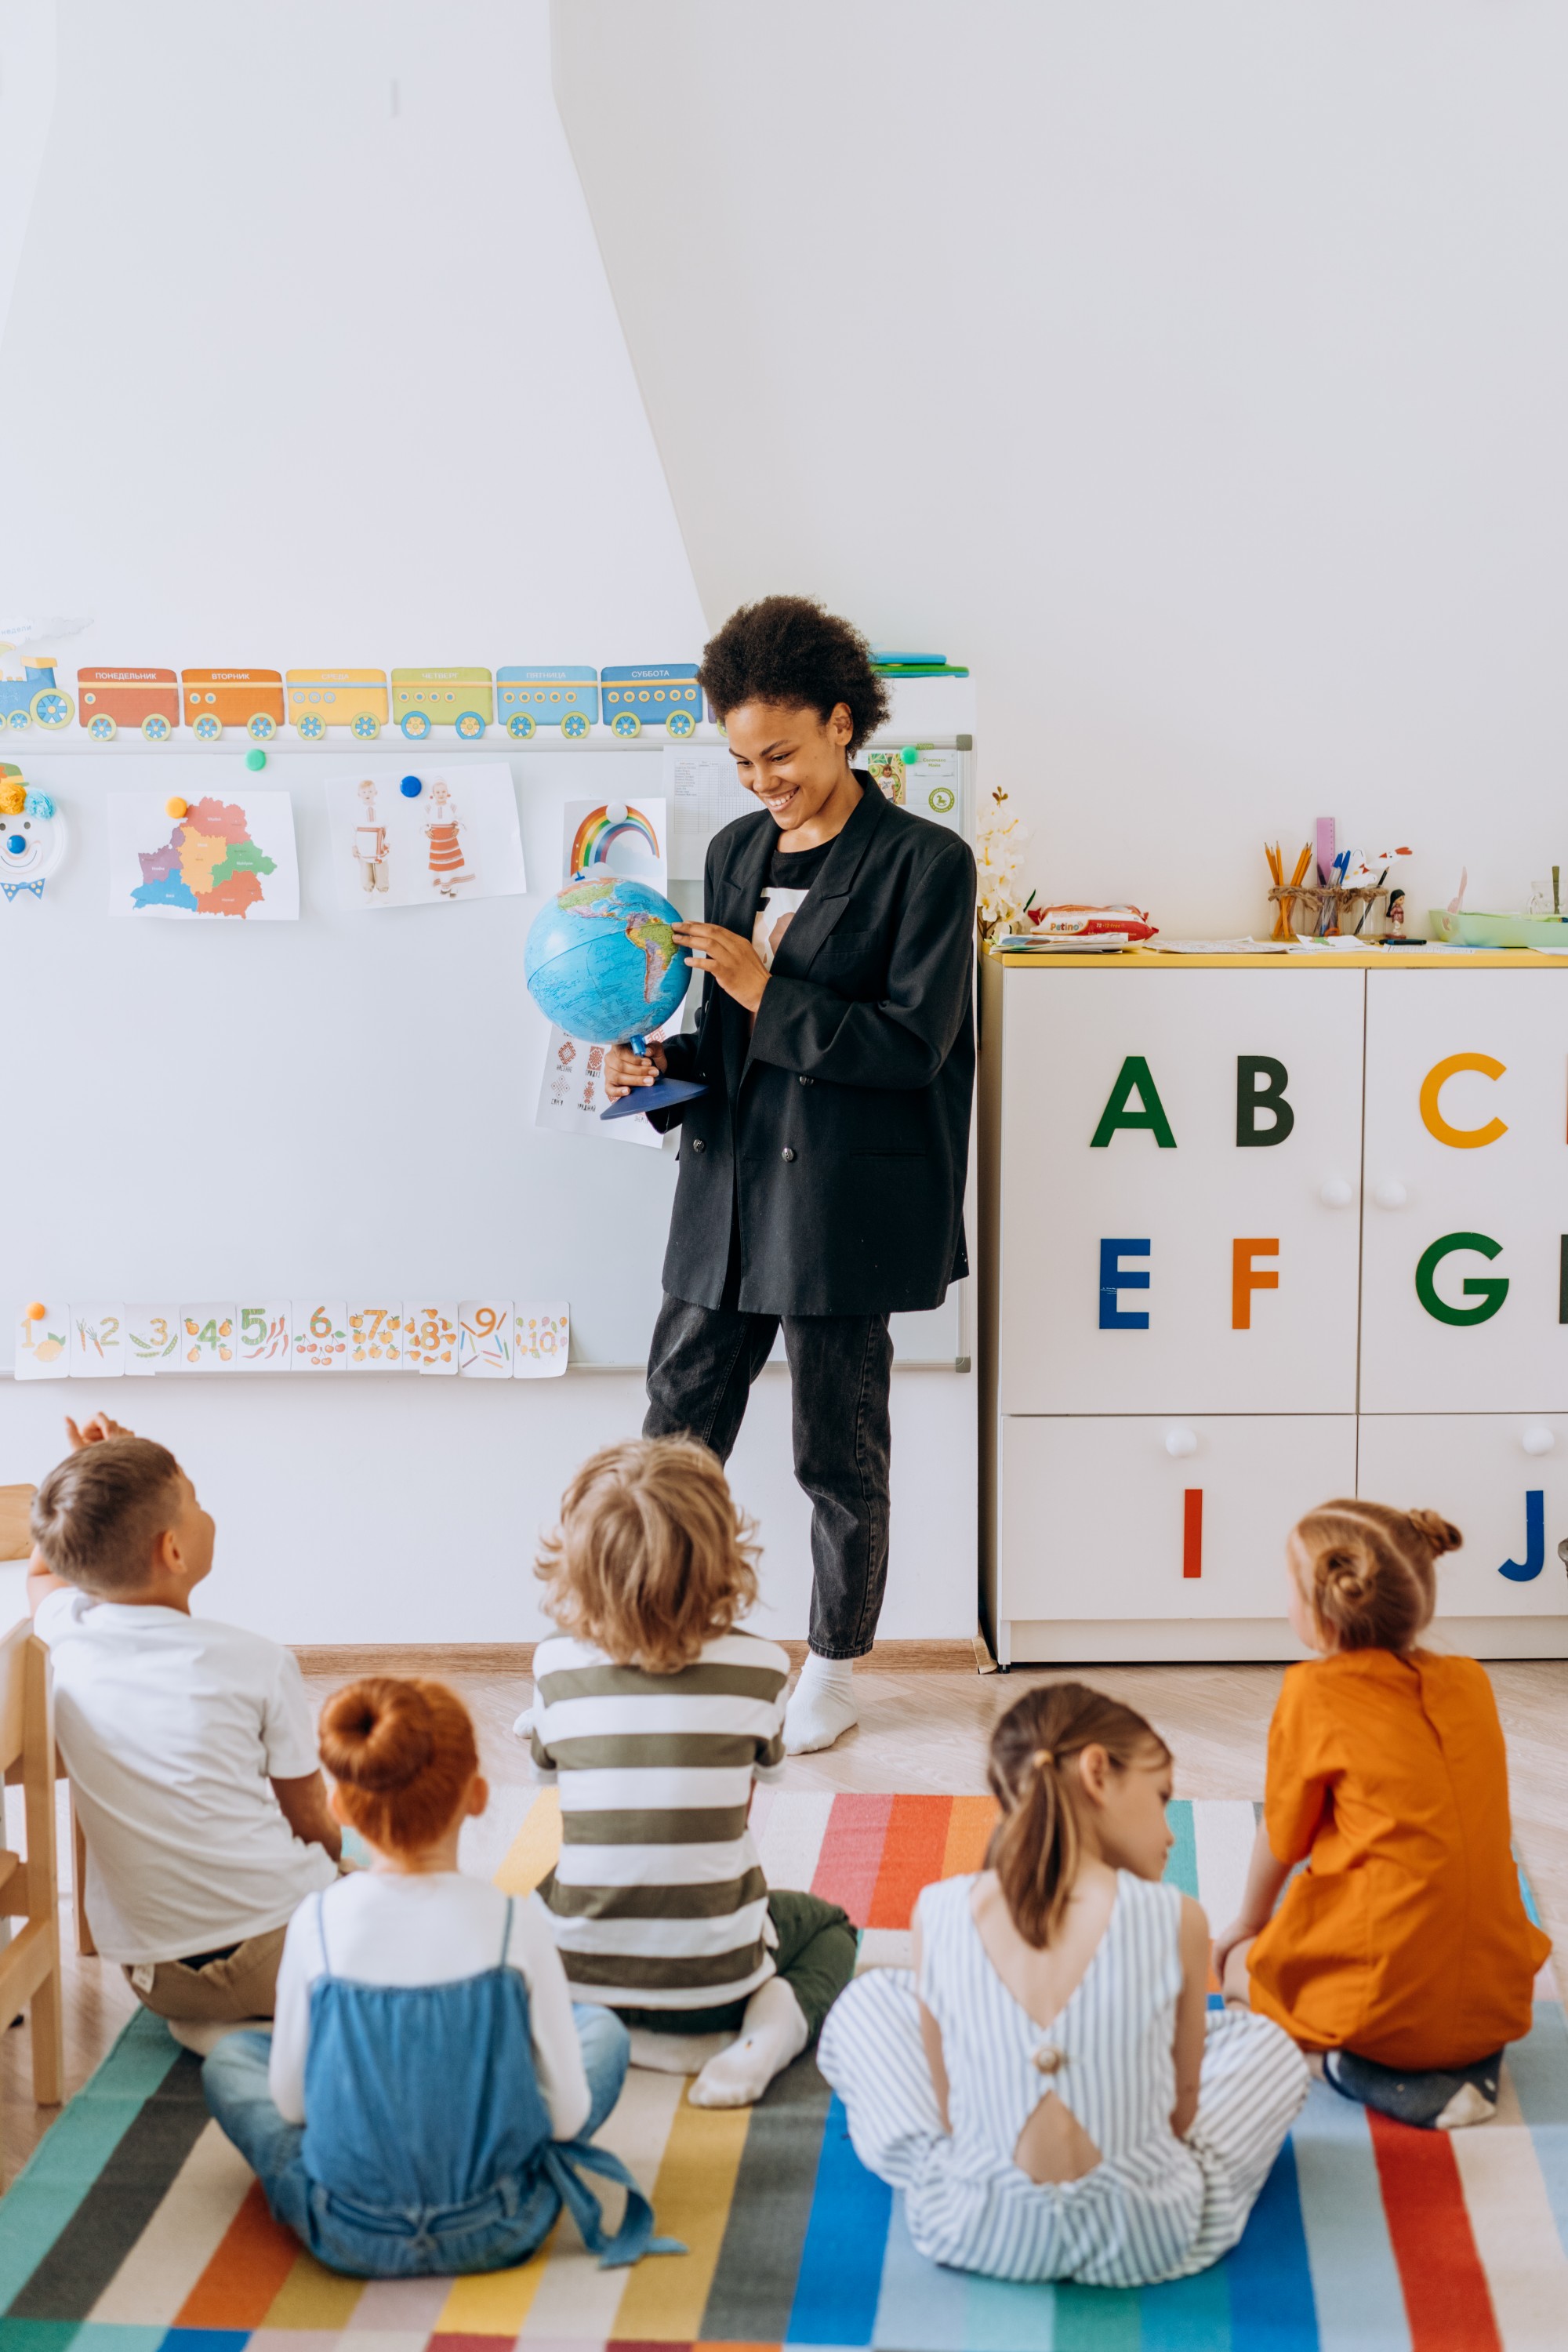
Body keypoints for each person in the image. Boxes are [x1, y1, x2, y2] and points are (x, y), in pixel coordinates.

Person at [605, 597, 976, 1755]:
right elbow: (726, 1039)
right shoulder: (731, 852)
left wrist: (770, 992)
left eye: (781, 754)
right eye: (741, 759)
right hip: (723, 1193)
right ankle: (644, 1639)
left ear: (841, 723)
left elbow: (914, 1048)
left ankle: (834, 1665)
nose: (762, 779)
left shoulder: (926, 863)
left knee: (838, 1451)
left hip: (840, 1208)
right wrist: (657, 1059)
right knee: (670, 1439)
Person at [816, 1683, 1307, 2288]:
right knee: (1264, 2046)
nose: (1171, 1832)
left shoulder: (936, 1909)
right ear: (1098, 1771)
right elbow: (1180, 2120)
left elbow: (950, 2116)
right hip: (1146, 2234)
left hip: (975, 2225)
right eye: (1161, 1798)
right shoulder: (1175, 1915)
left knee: (870, 2001)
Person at [203, 1677, 673, 2276]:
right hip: (505, 2223)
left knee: (230, 2060)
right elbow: (566, 2119)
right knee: (600, 2030)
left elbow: (292, 2107)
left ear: (342, 1808)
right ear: (476, 1796)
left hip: (347, 2230)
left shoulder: (316, 1920)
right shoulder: (513, 1922)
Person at [528, 1436, 857, 2106]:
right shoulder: (763, 1668)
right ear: (721, 1555)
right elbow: (759, 1782)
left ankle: (599, 2032)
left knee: (532, 1898)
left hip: (578, 1978)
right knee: (828, 1927)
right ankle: (765, 2038)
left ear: (580, 1562)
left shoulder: (555, 1668)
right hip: (716, 1986)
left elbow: (548, 1778)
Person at [1211, 1500, 1551, 2129]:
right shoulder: (1472, 1682)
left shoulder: (1313, 1693)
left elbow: (1283, 1838)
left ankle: (1345, 2066)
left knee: (1239, 1964)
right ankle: (1461, 2065)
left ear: (1320, 1607)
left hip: (1383, 1999)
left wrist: (1245, 1928)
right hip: (1499, 1999)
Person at [27, 1414, 339, 2037]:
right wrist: (338, 1871)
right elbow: (313, 1825)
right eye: (195, 1501)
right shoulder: (260, 1661)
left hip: (159, 1980)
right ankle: (287, 2028)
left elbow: (41, 1574)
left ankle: (222, 2029)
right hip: (286, 1952)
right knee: (408, 1898)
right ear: (173, 1549)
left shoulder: (66, 1634)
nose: (205, 1511)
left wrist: (79, 1490)